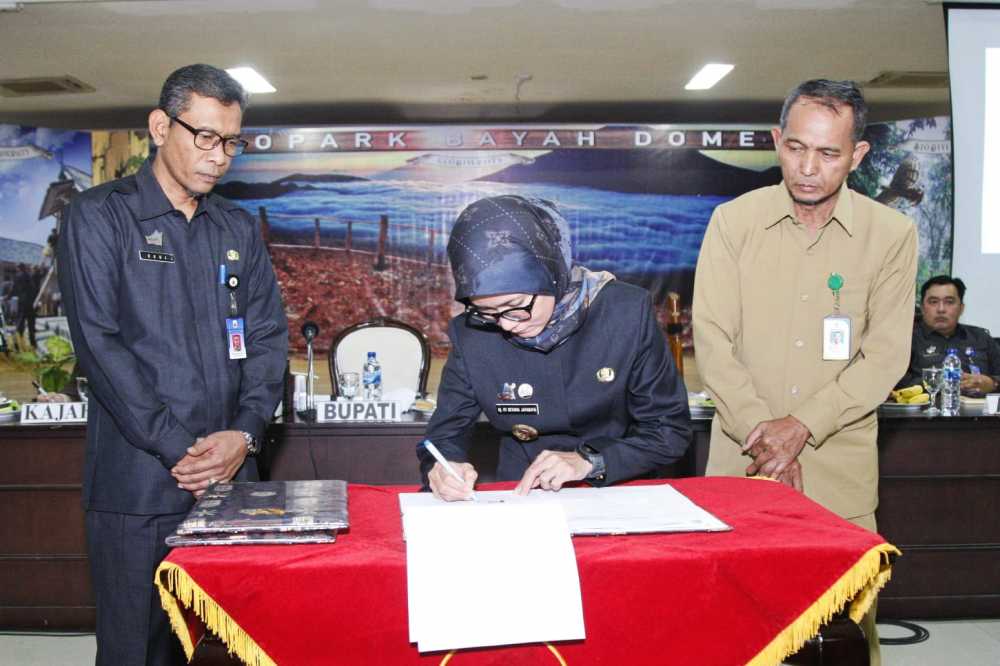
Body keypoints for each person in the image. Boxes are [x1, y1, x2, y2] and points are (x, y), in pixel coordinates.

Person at [58, 64, 288, 666]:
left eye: (231, 142)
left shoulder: (237, 227)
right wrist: (179, 450)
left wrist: (243, 434)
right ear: (161, 127)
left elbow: (267, 339)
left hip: (234, 480)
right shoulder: (98, 216)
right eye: (205, 136)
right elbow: (100, 344)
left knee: (244, 646)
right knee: (141, 649)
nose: (219, 156)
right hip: (140, 485)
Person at [692, 79, 918, 665]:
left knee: (842, 640)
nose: (808, 168)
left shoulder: (891, 236)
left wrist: (802, 427)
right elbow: (713, 341)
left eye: (828, 153)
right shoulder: (732, 222)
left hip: (838, 478)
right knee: (733, 634)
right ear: (776, 141)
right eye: (795, 148)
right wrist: (769, 442)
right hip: (740, 470)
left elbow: (886, 356)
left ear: (857, 156)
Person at [418, 195, 691, 501]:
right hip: (522, 493)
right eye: (486, 312)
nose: (506, 325)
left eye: (514, 307)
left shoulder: (624, 313)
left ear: (552, 274)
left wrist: (590, 461)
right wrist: (441, 468)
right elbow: (444, 434)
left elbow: (668, 431)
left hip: (617, 487)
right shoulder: (473, 333)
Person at [897, 275, 1000, 395]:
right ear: (923, 308)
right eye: (933, 302)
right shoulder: (907, 340)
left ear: (961, 308)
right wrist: (938, 381)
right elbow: (894, 382)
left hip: (978, 412)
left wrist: (993, 383)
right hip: (924, 412)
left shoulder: (981, 337)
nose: (941, 309)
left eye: (949, 302)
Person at [13, 263, 38, 349]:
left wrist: (7, 297)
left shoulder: (18, 276)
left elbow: (14, 288)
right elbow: (33, 288)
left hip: (22, 302)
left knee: (20, 322)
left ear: (19, 268)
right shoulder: (29, 276)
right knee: (31, 323)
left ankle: (17, 344)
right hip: (29, 303)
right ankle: (33, 343)